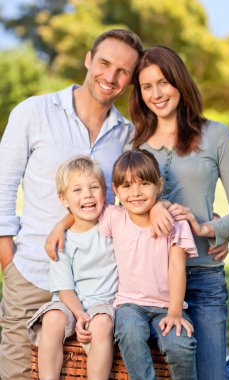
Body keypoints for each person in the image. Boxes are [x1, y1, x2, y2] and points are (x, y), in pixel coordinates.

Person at [0, 28, 143, 380]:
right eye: (105, 63)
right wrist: (8, 259)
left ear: (131, 80)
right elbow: (4, 184)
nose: (110, 77)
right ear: (88, 59)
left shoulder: (127, 136)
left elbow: (136, 199)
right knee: (18, 371)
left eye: (123, 71)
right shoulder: (33, 112)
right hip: (33, 270)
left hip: (98, 281)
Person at [128, 45, 229, 380]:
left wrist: (211, 229)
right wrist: (154, 206)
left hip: (203, 277)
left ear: (179, 82)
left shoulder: (217, 135)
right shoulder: (134, 145)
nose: (156, 93)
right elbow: (121, 210)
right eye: (146, 86)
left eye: (163, 82)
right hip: (151, 285)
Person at [99, 149, 198, 380]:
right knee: (129, 333)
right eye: (126, 186)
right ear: (116, 190)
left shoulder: (175, 223)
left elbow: (177, 268)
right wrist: (58, 228)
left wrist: (175, 312)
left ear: (159, 185)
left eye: (144, 183)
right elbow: (83, 209)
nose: (136, 192)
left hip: (168, 305)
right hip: (130, 305)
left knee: (180, 345)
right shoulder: (114, 217)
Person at [27, 155, 118, 380]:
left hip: (104, 302)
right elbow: (64, 289)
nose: (87, 194)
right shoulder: (61, 241)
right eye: (77, 190)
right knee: (52, 318)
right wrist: (78, 314)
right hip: (70, 303)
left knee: (101, 323)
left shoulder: (114, 226)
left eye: (94, 187)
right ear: (63, 199)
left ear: (105, 191)